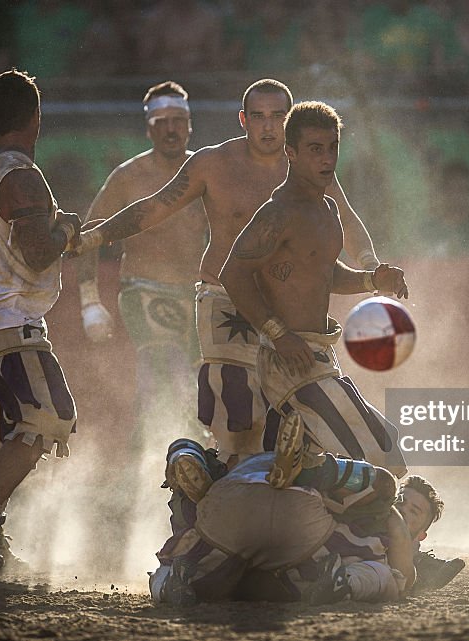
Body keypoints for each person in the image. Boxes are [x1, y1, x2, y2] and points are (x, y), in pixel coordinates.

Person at [77, 79, 380, 465]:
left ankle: (261, 485)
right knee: (221, 403)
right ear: (243, 120)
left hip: (278, 303)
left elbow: (348, 221)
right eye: (259, 117)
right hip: (211, 297)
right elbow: (152, 209)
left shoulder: (307, 167)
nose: (268, 126)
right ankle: (175, 467)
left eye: (278, 117)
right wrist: (94, 243)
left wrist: (370, 266)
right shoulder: (209, 164)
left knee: (289, 409)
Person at [217, 100, 408, 486]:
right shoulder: (279, 212)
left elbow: (325, 272)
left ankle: (317, 515)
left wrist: (372, 282)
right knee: (381, 457)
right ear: (290, 152)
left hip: (319, 357)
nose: (327, 159)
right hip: (291, 362)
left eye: (333, 148)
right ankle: (386, 544)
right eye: (315, 150)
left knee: (370, 455)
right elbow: (233, 273)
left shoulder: (328, 210)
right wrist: (278, 333)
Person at [0, 69, 83, 570]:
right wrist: (66, 230)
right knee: (52, 415)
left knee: (12, 431)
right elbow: (38, 251)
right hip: (8, 313)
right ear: (35, 117)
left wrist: (57, 227)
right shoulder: (21, 173)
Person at [150, 447, 451, 605]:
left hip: (259, 546)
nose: (403, 509)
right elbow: (404, 576)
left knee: (179, 563)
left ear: (422, 534)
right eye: (403, 500)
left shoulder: (391, 544)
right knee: (382, 485)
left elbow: (407, 573)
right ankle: (314, 471)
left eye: (415, 511)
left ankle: (173, 583)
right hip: (295, 522)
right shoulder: (379, 521)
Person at [77, 80, 206, 439]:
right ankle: (147, 468)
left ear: (190, 124)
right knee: (164, 370)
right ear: (148, 128)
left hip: (196, 295)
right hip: (143, 289)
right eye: (161, 121)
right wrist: (89, 302)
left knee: (199, 386)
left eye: (178, 120)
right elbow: (88, 236)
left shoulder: (206, 172)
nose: (170, 129)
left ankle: (193, 467)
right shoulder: (128, 177)